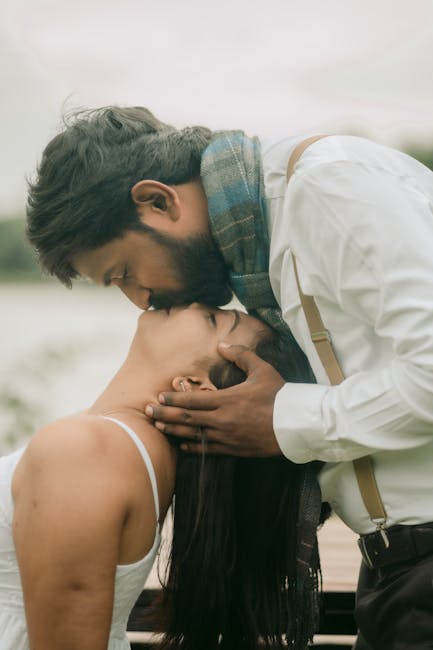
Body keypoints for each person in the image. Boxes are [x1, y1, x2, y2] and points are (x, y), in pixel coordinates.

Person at [26, 106, 433, 649]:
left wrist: (283, 421)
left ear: (158, 201)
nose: (141, 301)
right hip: (395, 570)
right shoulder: (262, 255)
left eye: (124, 273)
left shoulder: (327, 187)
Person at [0, 303, 323, 650]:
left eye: (213, 318)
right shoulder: (115, 449)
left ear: (195, 387)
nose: (194, 302)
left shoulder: (85, 453)